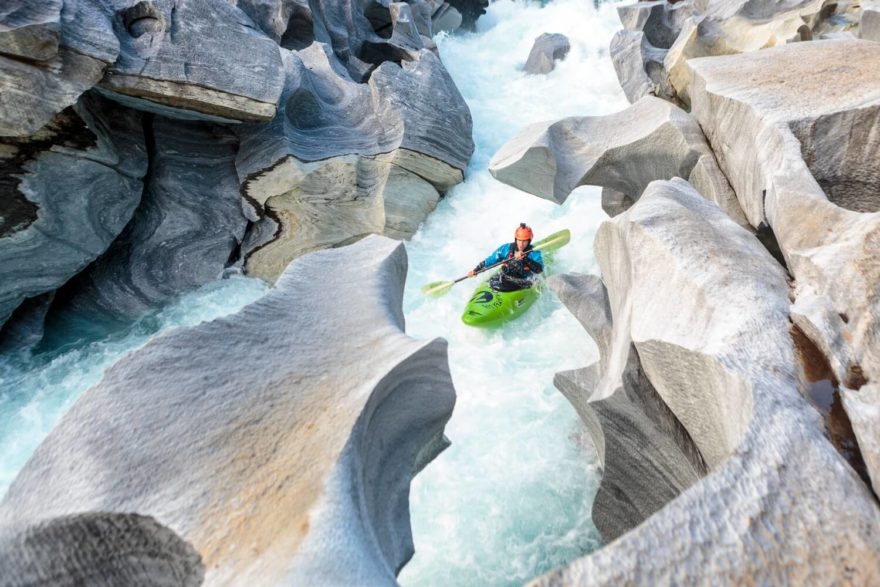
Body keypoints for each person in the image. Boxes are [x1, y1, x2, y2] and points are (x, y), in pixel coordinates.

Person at [467, 223, 544, 291]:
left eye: (524, 241)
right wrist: (476, 270)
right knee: (500, 275)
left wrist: (525, 258)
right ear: (515, 239)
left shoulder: (534, 253)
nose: (521, 244)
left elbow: (539, 270)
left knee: (516, 263)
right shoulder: (506, 248)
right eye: (519, 240)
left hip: (524, 280)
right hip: (505, 277)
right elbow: (490, 260)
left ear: (529, 241)